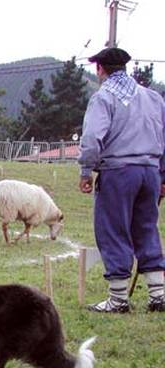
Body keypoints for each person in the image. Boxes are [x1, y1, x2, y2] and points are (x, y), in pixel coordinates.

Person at [78, 47, 165, 313]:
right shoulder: (152, 97)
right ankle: (158, 294)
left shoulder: (103, 97)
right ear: (124, 68)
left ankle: (118, 298)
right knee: (147, 227)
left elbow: (92, 138)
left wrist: (86, 170)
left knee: (113, 229)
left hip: (118, 171)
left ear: (100, 69)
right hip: (150, 171)